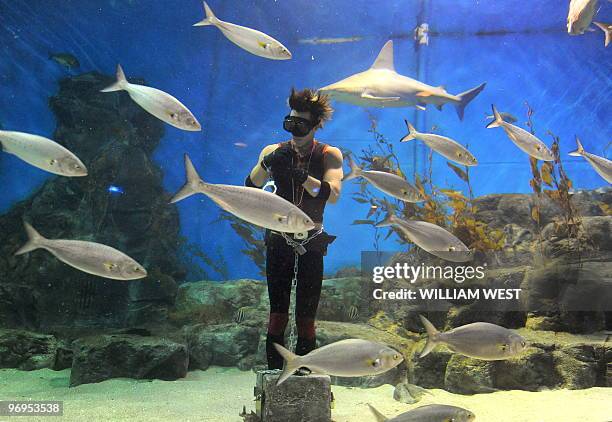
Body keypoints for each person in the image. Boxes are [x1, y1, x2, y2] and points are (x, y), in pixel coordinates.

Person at [245, 87, 343, 369]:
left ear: (314, 126)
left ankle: (304, 370)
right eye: (289, 122)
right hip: (278, 239)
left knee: (306, 315)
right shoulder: (273, 150)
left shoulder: (328, 154)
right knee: (277, 312)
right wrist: (266, 163)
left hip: (312, 239)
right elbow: (250, 189)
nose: (294, 129)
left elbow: (333, 194)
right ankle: (276, 370)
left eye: (300, 123)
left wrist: (303, 177)